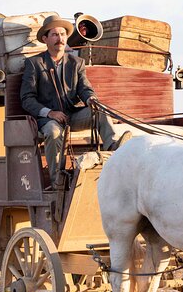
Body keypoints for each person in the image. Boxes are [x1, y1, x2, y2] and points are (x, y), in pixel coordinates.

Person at [20, 15, 131, 185]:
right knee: (54, 132)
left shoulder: (76, 62)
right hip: (47, 119)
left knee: (100, 111)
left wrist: (91, 99)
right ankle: (57, 180)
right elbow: (27, 99)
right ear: (45, 39)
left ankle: (113, 148)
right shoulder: (34, 63)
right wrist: (50, 113)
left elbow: (84, 89)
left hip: (71, 115)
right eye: (55, 35)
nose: (60, 39)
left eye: (63, 34)